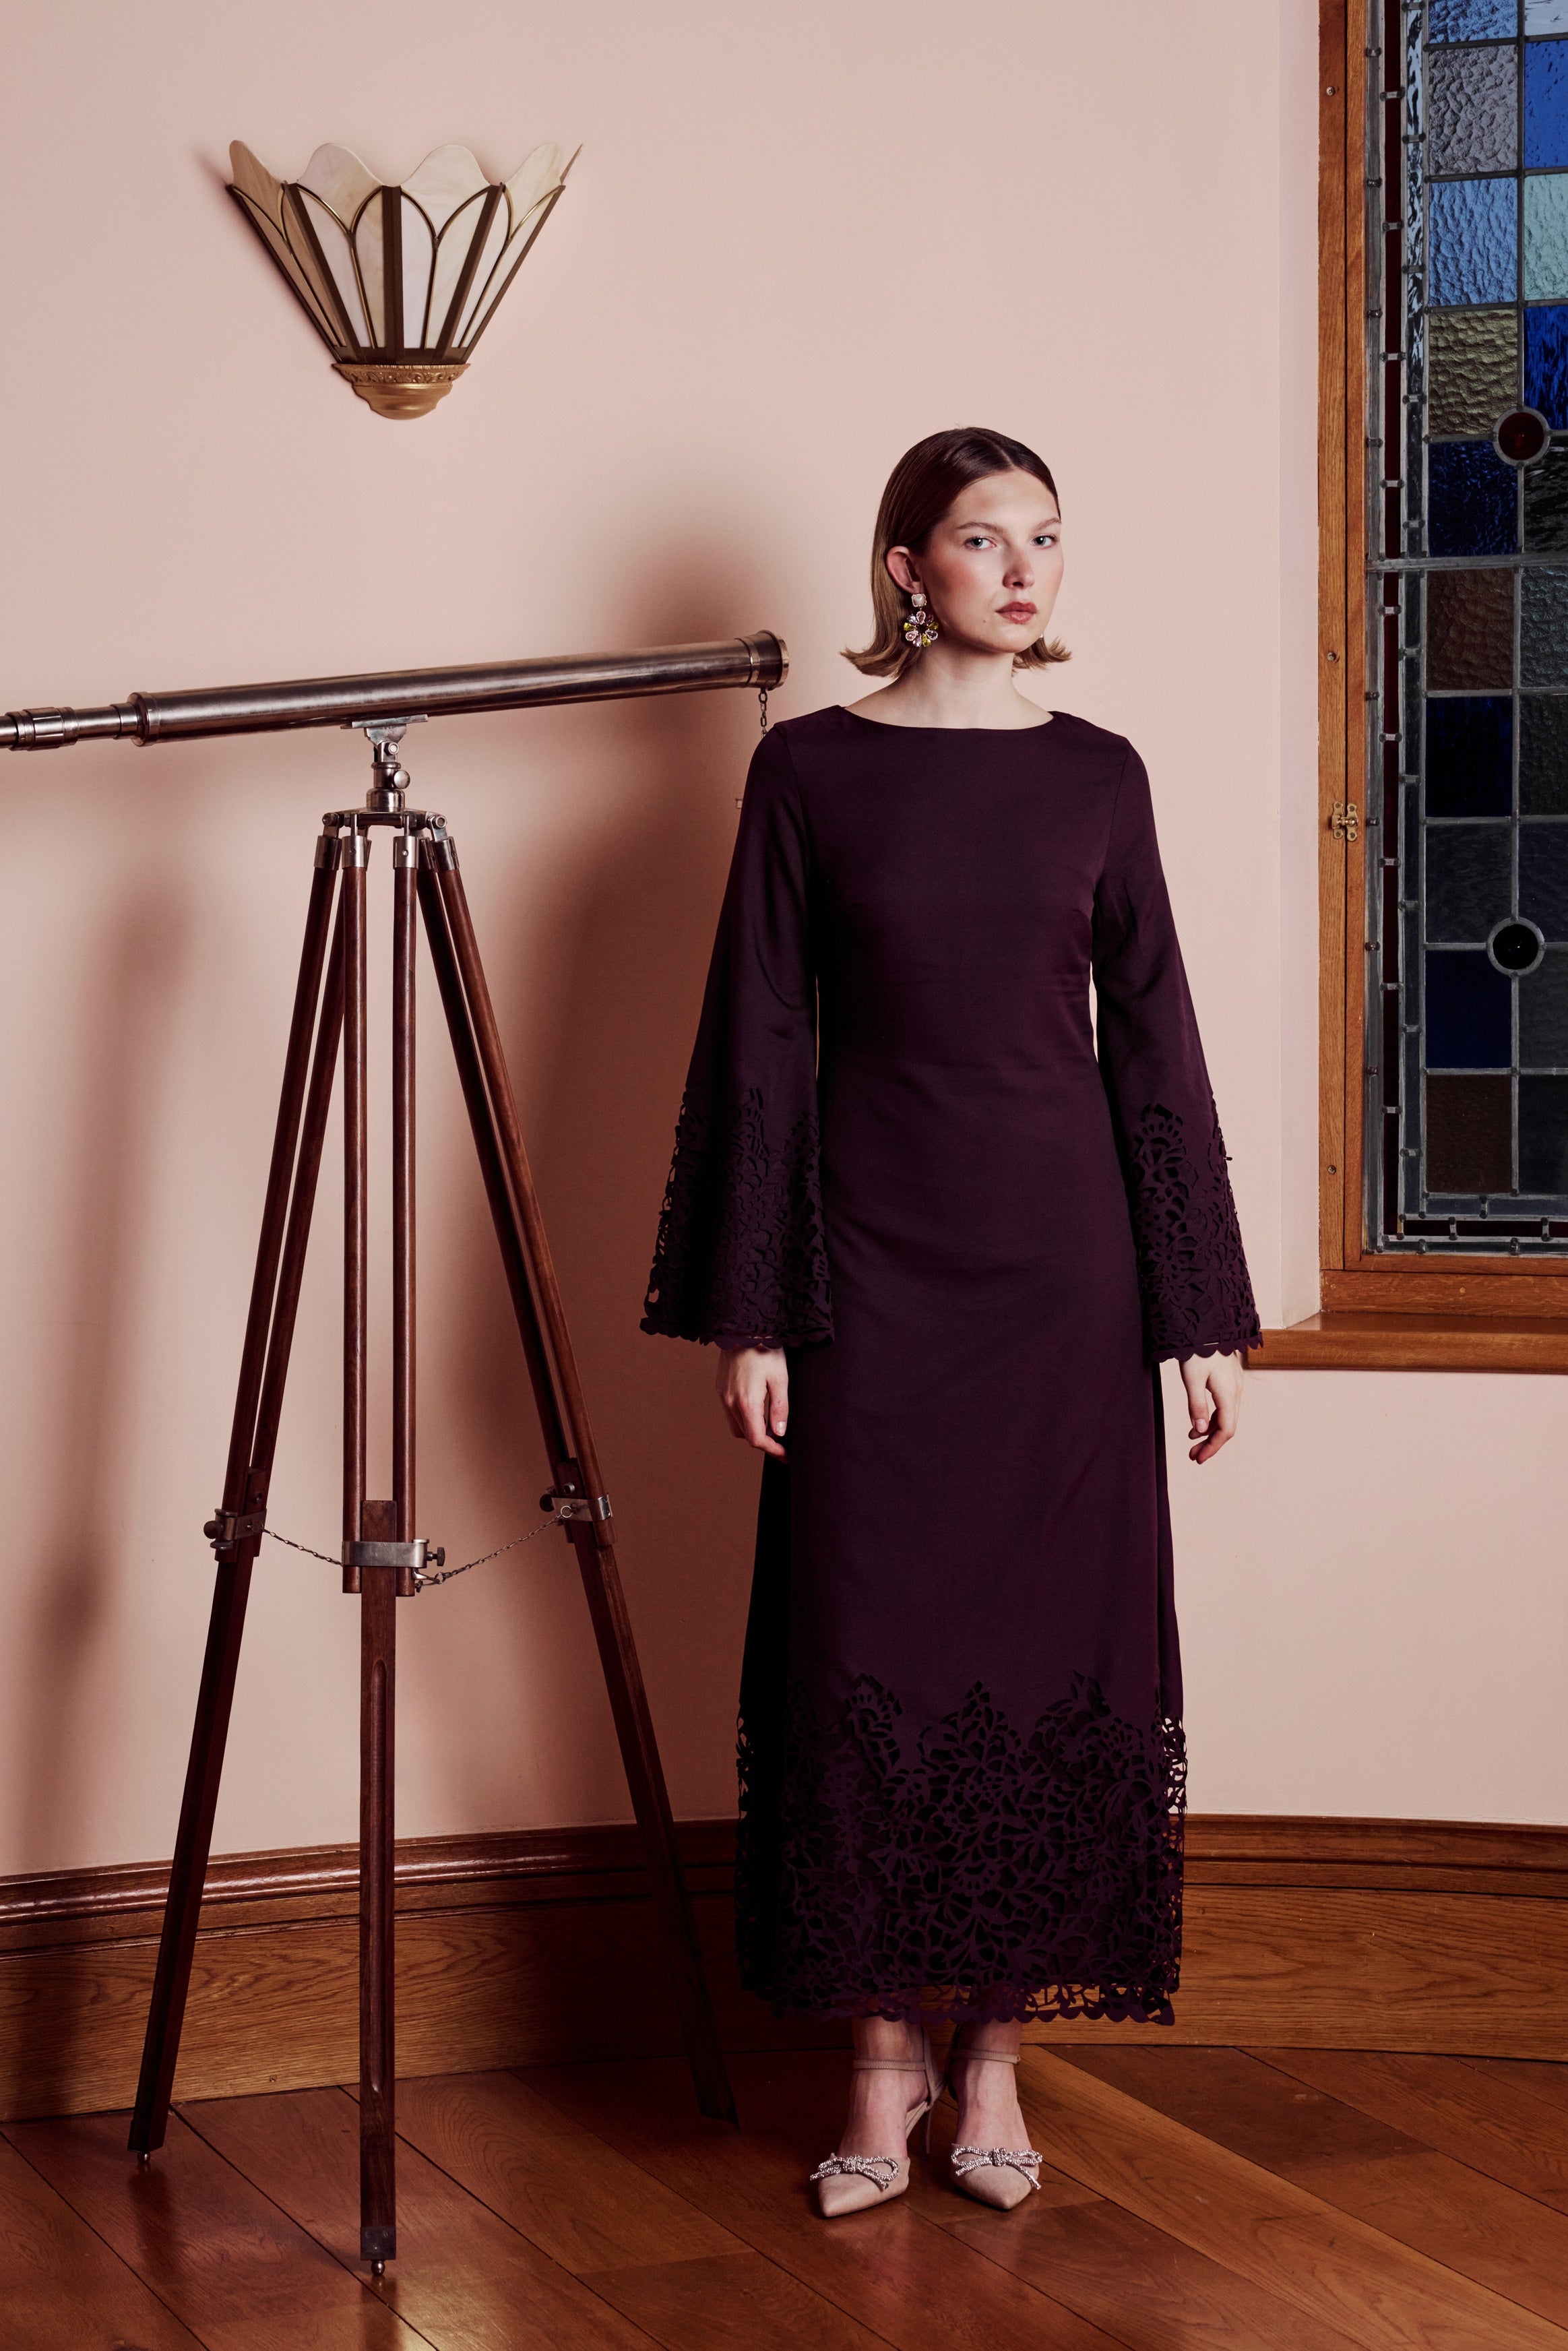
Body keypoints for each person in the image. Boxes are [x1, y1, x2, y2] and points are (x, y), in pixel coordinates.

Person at [641, 426, 1257, 2217]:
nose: (1023, 567)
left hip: (1067, 1284)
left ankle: (991, 2061)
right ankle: (877, 2065)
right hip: (870, 1276)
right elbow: (759, 1035)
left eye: (1045, 536)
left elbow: (1156, 1041)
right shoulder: (809, 771)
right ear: (908, 568)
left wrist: (1197, 1314)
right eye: (985, 538)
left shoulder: (1099, 776)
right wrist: (753, 1309)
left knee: (1057, 1652)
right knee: (865, 1646)